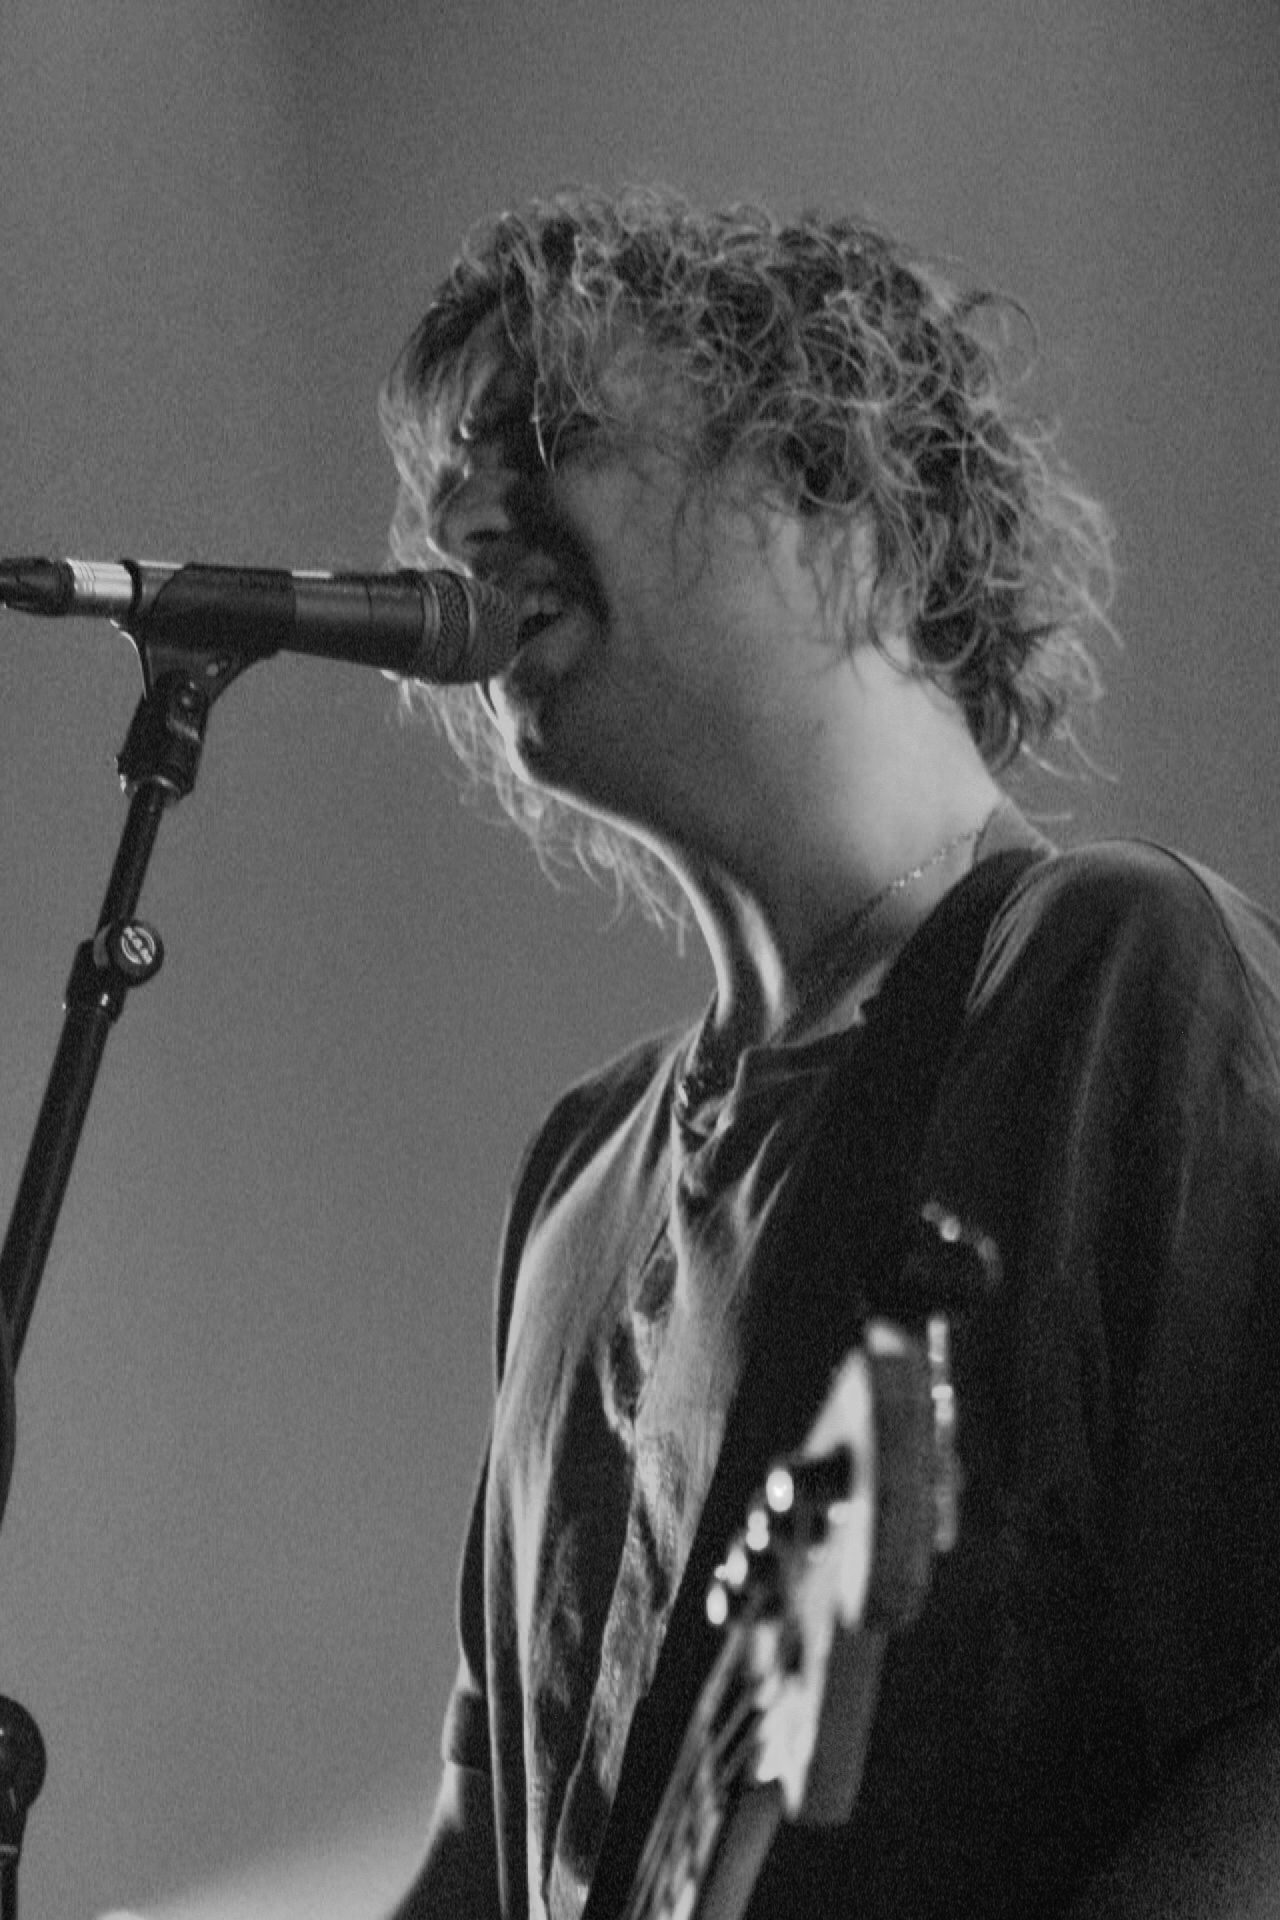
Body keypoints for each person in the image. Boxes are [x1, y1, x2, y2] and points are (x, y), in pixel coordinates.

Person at [378, 187, 1280, 1918]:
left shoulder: (1108, 983)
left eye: (547, 435)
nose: (459, 519)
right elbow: (486, 1861)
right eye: (450, 477)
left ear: (835, 479)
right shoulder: (580, 1173)